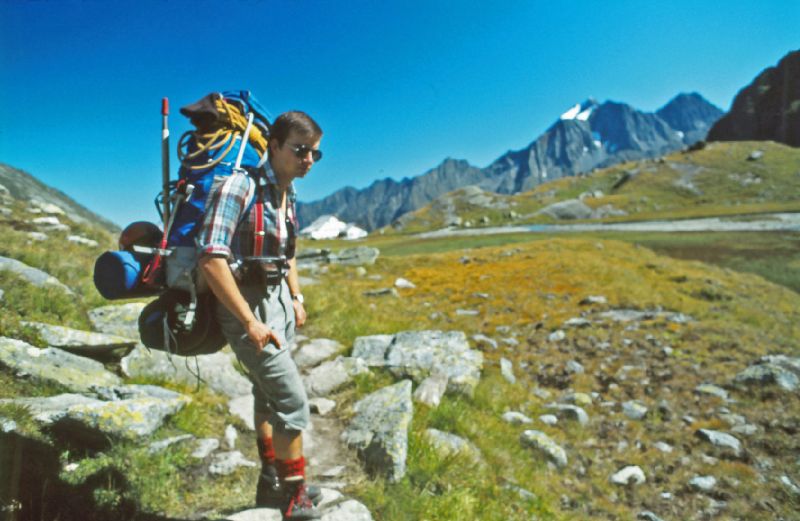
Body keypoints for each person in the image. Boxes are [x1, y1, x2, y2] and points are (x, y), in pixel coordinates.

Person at [197, 110, 323, 520]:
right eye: (300, 150)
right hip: (246, 308)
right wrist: (249, 322)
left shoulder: (288, 193)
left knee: (265, 395)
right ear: (273, 146)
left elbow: (288, 255)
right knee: (291, 400)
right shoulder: (239, 185)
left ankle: (270, 480)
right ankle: (294, 495)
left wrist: (297, 297)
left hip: (278, 306)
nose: (308, 160)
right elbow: (211, 258)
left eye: (315, 155)